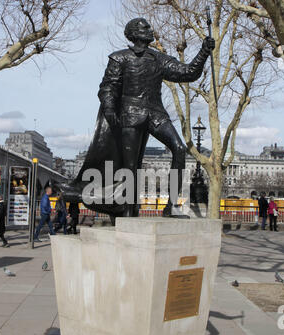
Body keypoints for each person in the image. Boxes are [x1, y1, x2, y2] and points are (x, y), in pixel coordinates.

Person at [61, 18, 215, 221]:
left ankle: (171, 206)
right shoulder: (119, 58)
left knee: (178, 148)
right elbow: (107, 87)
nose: (151, 30)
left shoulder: (159, 59)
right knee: (130, 167)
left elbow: (188, 73)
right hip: (130, 114)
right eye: (146, 28)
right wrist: (109, 110)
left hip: (156, 113)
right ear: (135, 33)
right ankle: (126, 210)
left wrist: (204, 51)